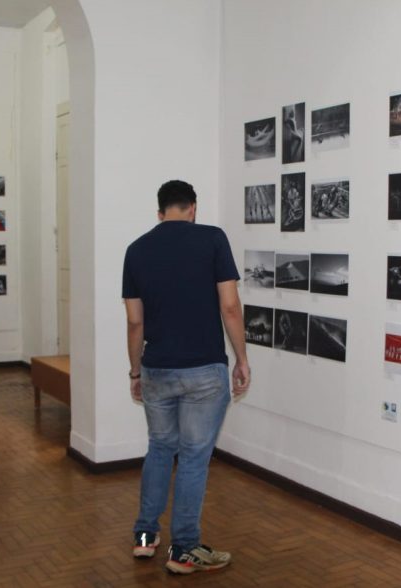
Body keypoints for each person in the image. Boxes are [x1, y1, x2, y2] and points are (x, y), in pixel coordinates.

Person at [122, 179, 251, 574]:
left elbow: (134, 322)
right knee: (194, 459)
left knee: (160, 449)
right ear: (193, 208)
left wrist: (135, 371)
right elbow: (230, 307)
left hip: (157, 368)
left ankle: (145, 538)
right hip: (204, 371)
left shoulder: (137, 250)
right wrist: (242, 359)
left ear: (160, 212)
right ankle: (184, 550)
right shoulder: (212, 239)